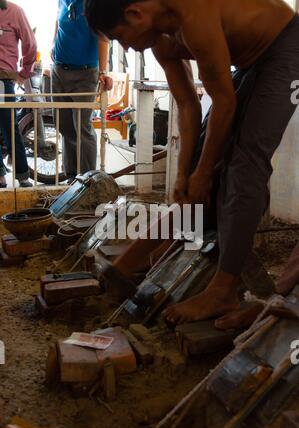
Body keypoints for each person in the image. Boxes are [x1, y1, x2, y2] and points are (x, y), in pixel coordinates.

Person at [85, 0, 299, 329]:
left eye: (121, 37)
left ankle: (223, 290)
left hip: (287, 46)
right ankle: (132, 263)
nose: (125, 47)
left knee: (243, 165)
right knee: (202, 165)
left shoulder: (194, 17)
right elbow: (187, 105)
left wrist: (201, 174)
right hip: (249, 63)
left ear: (135, 14)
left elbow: (224, 103)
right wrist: (186, 173)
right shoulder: (160, 40)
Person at [51, 0, 113, 184]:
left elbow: (103, 38)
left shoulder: (93, 4)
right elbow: (58, 21)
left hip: (85, 73)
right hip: (59, 70)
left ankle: (88, 179)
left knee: (82, 125)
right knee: (63, 124)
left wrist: (103, 71)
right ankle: (71, 176)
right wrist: (53, 44)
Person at [0, 0, 37, 188]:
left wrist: (24, 72)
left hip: (3, 79)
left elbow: (30, 44)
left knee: (9, 126)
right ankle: (0, 173)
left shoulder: (15, 12)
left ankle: (22, 174)